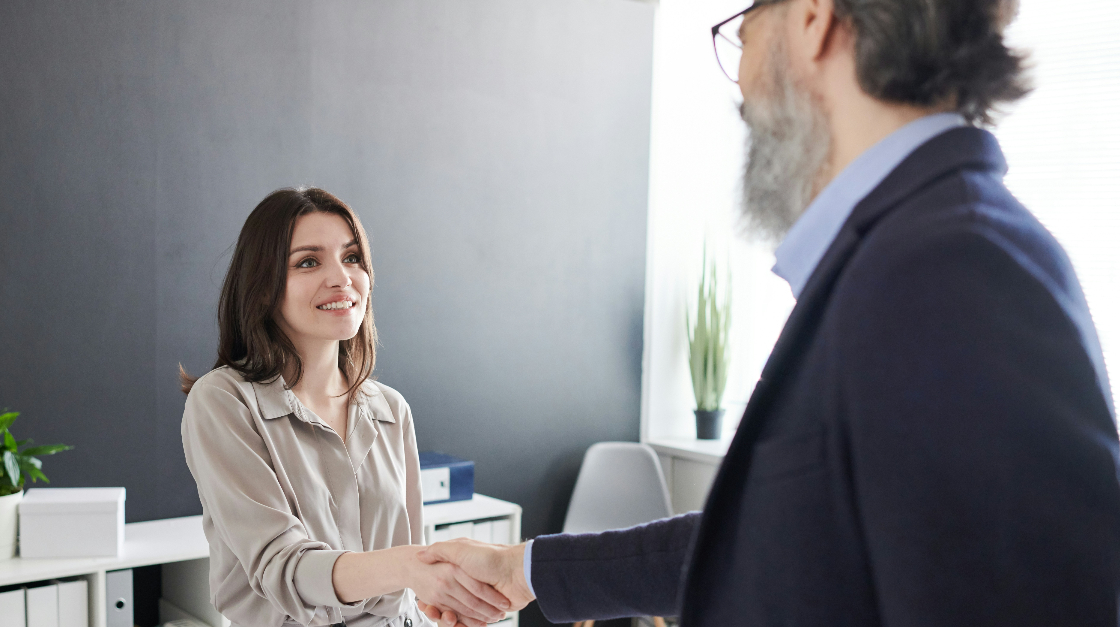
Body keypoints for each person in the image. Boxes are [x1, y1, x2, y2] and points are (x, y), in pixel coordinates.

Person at [416, 0, 1120, 625]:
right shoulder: (900, 258)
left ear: (814, 20)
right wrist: (523, 570)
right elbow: (781, 536)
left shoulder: (953, 270)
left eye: (743, 31)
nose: (742, 83)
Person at [180, 188, 509, 627]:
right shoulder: (224, 401)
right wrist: (409, 565)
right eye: (308, 262)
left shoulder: (391, 408)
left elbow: (409, 592)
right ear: (262, 290)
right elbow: (283, 567)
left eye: (352, 257)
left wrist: (443, 604)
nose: (342, 278)